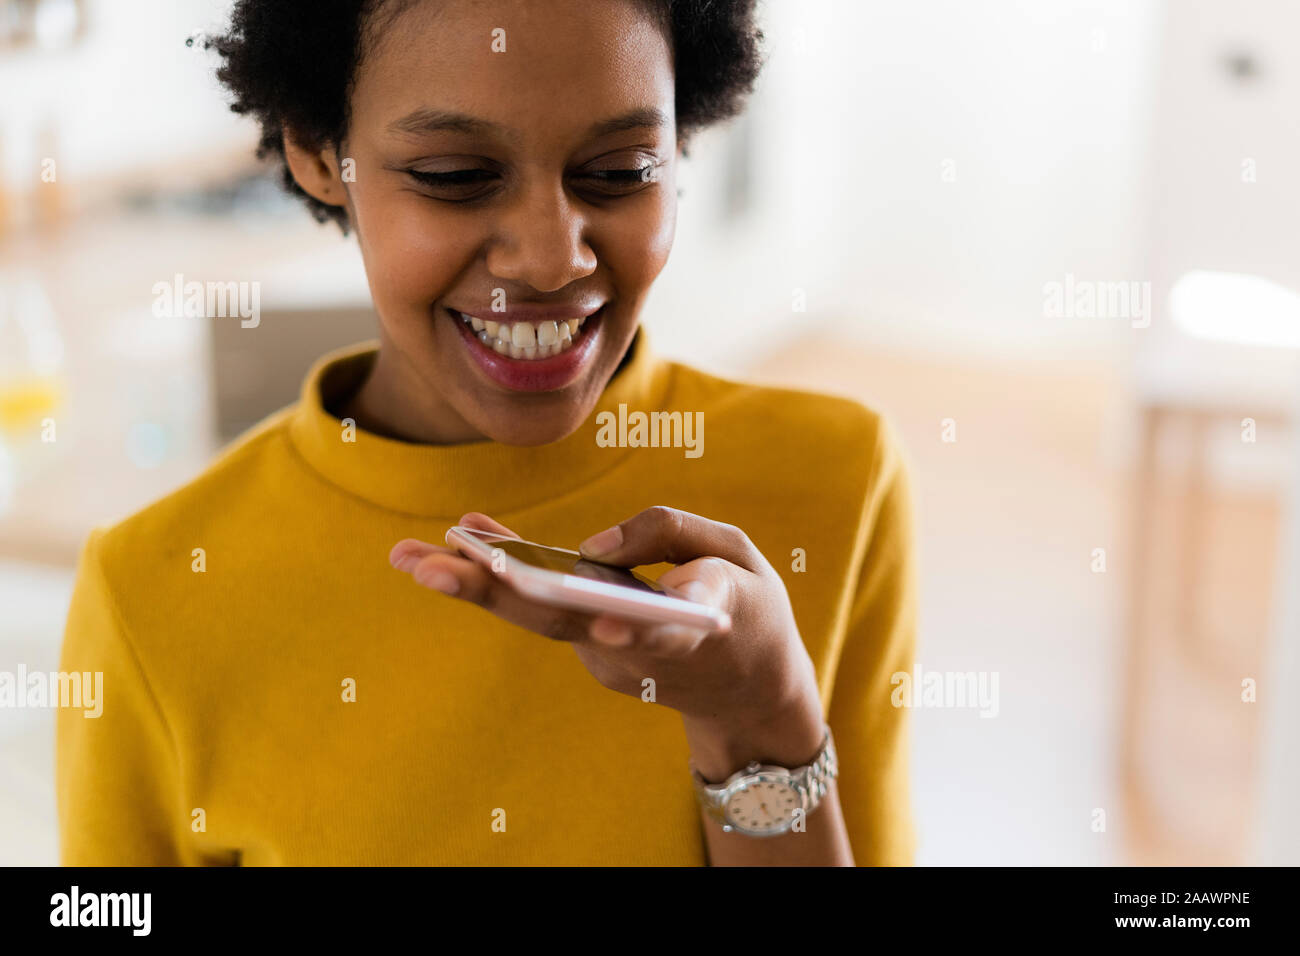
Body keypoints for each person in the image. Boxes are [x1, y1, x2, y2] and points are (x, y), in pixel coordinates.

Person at [57, 0, 917, 866]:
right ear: (320, 156)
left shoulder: (836, 477)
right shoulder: (150, 589)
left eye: (619, 171)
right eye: (456, 174)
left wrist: (756, 717)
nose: (550, 259)